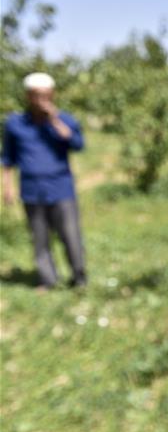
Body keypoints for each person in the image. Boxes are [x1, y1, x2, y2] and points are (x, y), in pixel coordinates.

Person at [1, 72, 87, 289]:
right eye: (37, 95)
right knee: (39, 238)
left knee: (70, 235)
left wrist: (54, 120)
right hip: (31, 189)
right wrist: (7, 186)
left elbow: (77, 144)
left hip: (61, 188)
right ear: (28, 96)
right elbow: (8, 157)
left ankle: (79, 278)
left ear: (52, 95)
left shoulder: (64, 120)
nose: (41, 100)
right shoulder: (15, 123)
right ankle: (47, 280)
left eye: (46, 95)